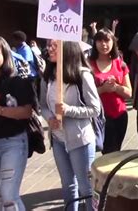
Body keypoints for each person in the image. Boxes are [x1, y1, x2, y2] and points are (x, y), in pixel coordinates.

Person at [0, 35, 36, 211]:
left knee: (9, 196)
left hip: (13, 142)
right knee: (0, 195)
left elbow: (27, 112)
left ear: (5, 55)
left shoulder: (17, 81)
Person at [41, 40, 100, 211]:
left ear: (67, 48)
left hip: (79, 139)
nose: (49, 49)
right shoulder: (48, 75)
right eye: (49, 45)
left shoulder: (82, 75)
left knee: (86, 186)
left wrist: (68, 110)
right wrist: (49, 118)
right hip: (58, 139)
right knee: (67, 185)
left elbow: (95, 109)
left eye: (54, 46)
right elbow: (43, 105)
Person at [89, 28, 132, 154]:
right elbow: (85, 94)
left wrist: (116, 88)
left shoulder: (120, 64)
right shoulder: (88, 65)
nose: (104, 44)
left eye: (107, 41)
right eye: (100, 41)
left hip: (119, 115)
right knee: (108, 152)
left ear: (113, 42)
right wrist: (103, 89)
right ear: (95, 43)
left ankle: (111, 174)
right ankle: (108, 174)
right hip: (99, 116)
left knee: (115, 151)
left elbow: (129, 93)